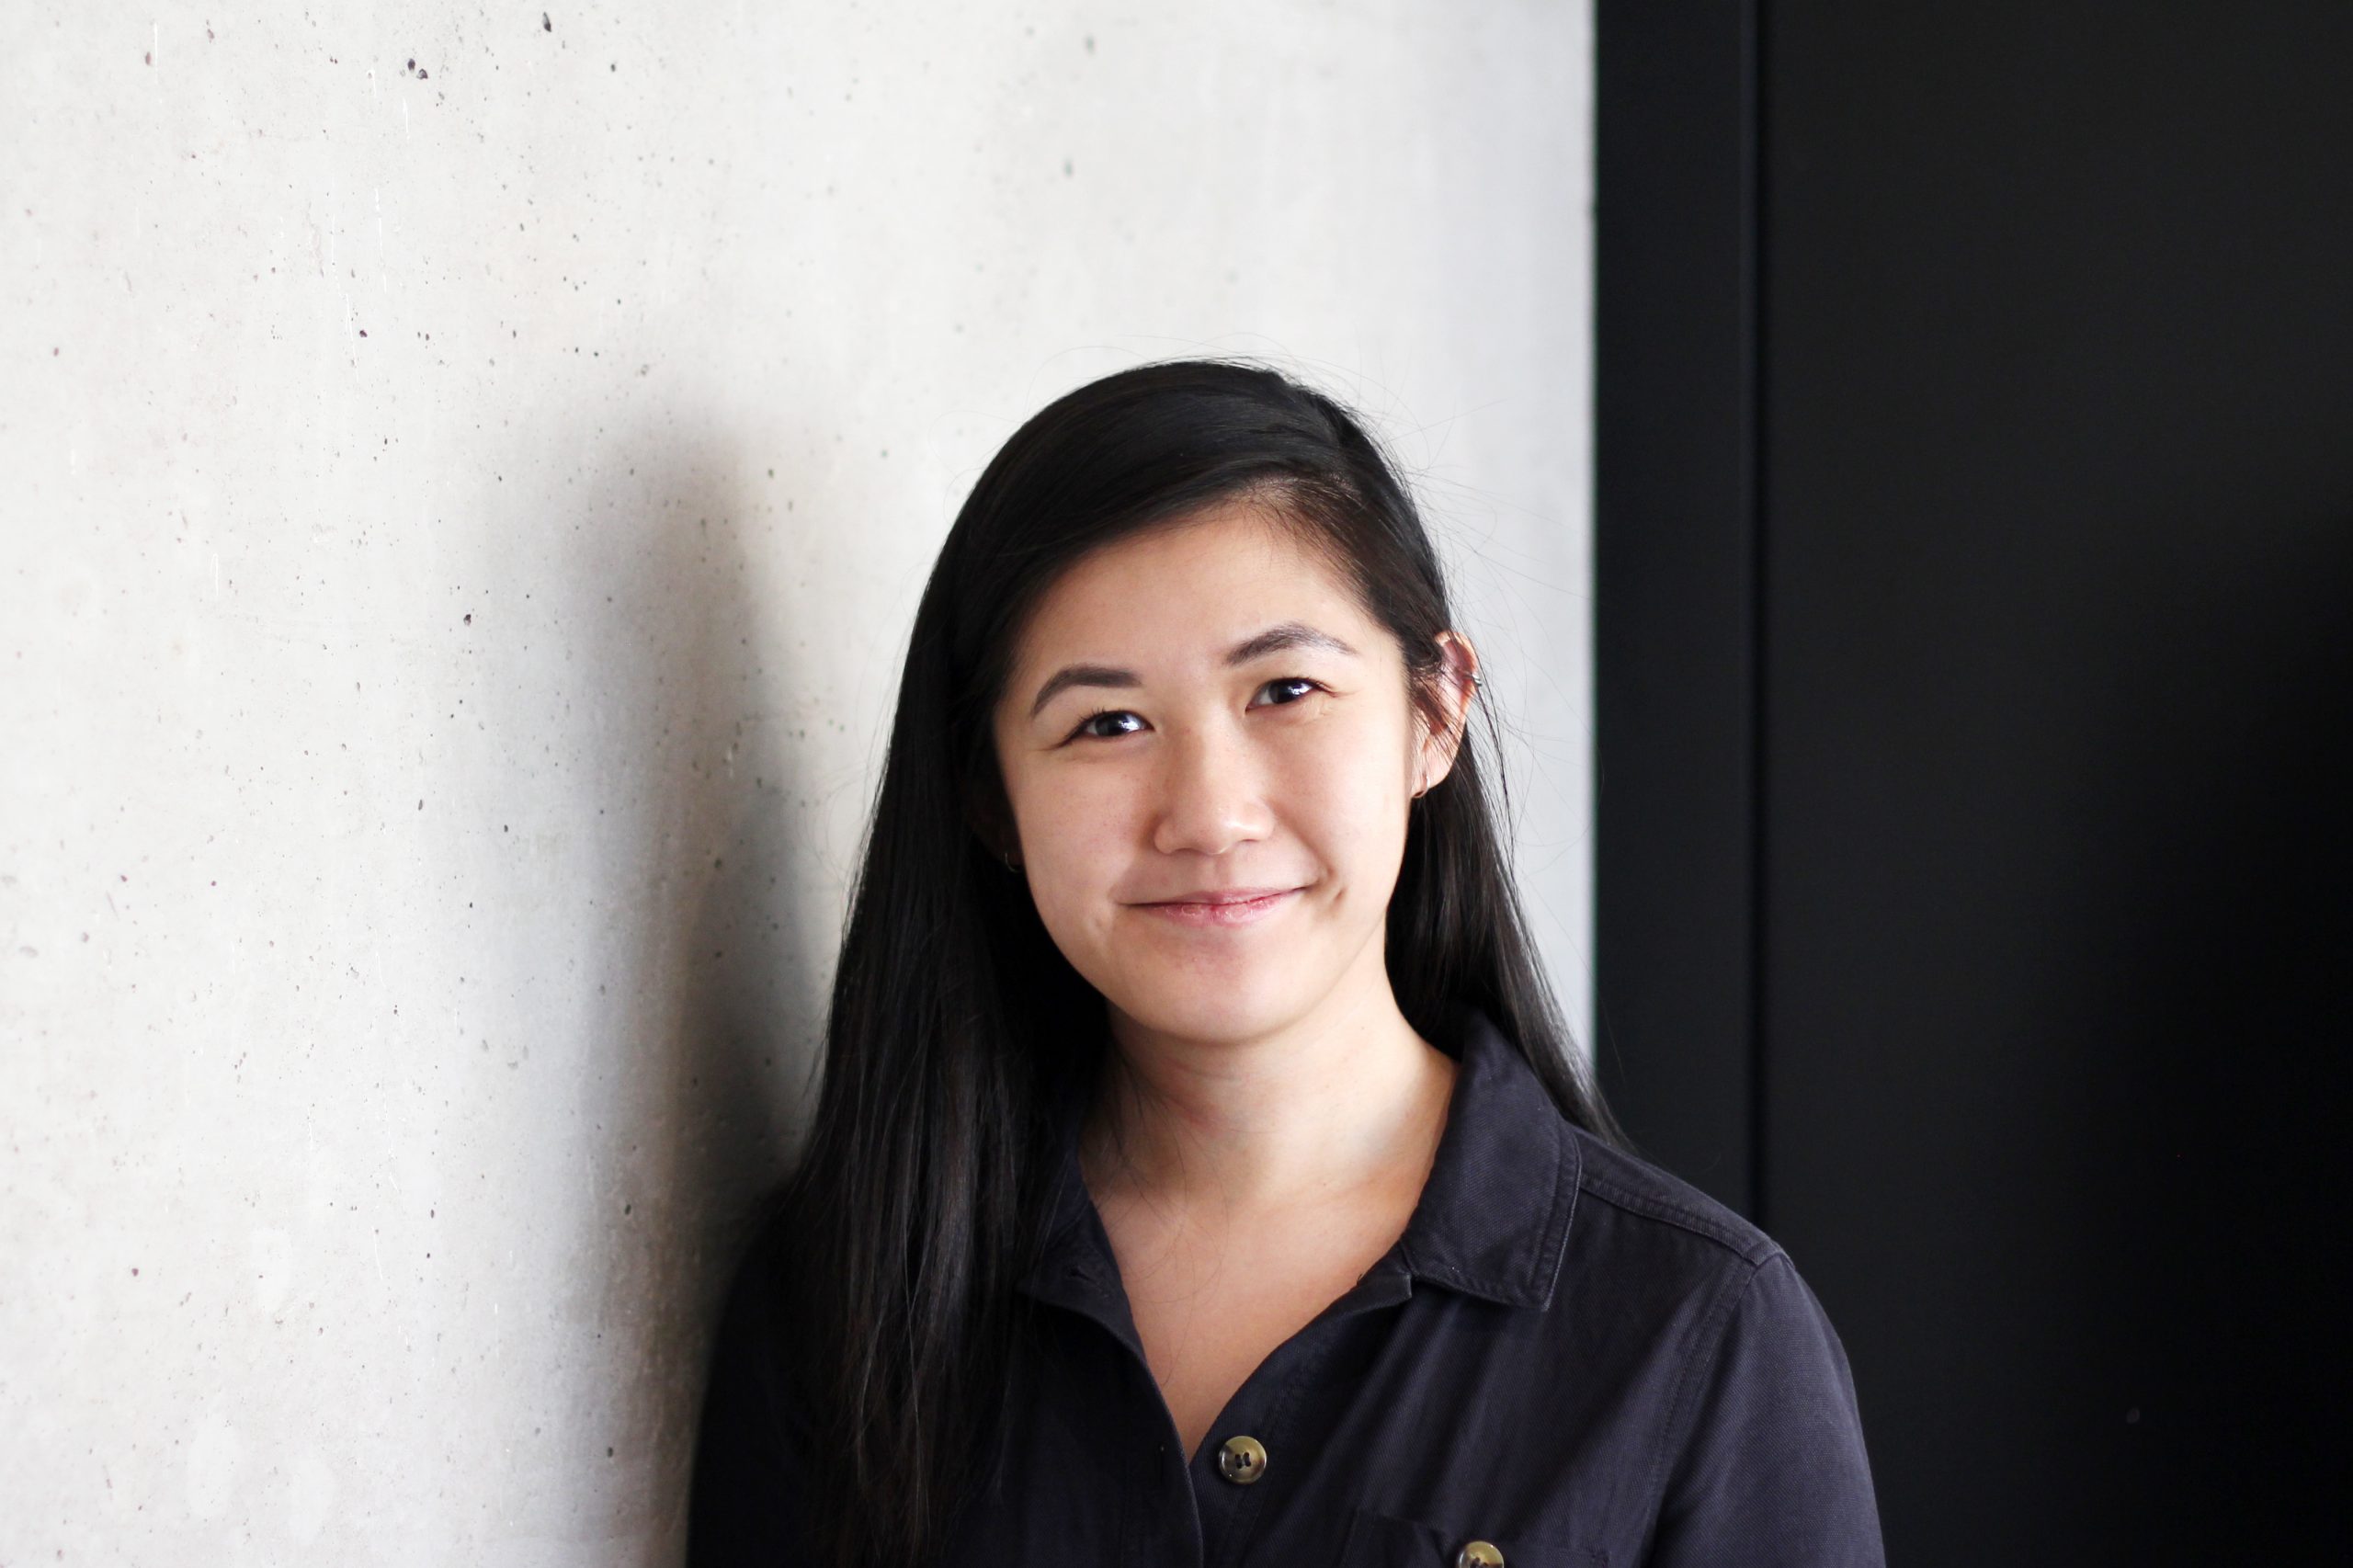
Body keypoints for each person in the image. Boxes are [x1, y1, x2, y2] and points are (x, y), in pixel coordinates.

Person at [686, 359, 1884, 1567]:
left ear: (1435, 713)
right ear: (991, 798)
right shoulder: (842, 1296)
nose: (1209, 816)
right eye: (1107, 723)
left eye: (1286, 689)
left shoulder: (1695, 1328)